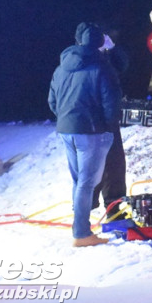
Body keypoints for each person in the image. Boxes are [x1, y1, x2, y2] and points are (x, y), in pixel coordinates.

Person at [48, 22, 122, 247]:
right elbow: (112, 105)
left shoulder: (61, 68)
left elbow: (52, 102)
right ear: (100, 42)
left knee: (79, 181)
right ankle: (81, 234)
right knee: (86, 183)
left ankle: (81, 227)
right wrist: (107, 128)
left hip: (66, 130)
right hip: (91, 132)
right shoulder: (101, 67)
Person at [92, 31, 128, 209]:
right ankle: (97, 208)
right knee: (104, 165)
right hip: (100, 120)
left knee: (111, 165)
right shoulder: (91, 62)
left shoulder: (104, 57)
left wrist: (113, 50)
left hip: (95, 121)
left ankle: (111, 206)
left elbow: (122, 66)